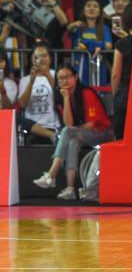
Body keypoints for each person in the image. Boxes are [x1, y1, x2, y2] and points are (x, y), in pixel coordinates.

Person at [33, 64, 114, 199]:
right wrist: (65, 99)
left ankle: (51, 174)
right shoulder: (61, 97)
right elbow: (69, 123)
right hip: (81, 134)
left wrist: (72, 130)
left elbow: (91, 124)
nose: (64, 81)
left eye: (67, 77)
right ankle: (70, 188)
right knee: (72, 143)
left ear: (75, 77)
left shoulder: (86, 93)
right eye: (60, 79)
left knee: (68, 132)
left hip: (102, 133)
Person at [17, 40, 60, 143]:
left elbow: (60, 96)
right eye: (36, 57)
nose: (40, 60)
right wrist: (31, 81)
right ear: (32, 59)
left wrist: (47, 75)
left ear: (50, 58)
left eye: (44, 56)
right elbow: (22, 105)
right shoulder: (25, 80)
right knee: (17, 118)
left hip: (52, 125)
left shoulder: (56, 75)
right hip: (32, 127)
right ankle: (52, 136)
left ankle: (52, 134)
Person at [67, 0, 113, 86]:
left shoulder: (104, 28)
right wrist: (73, 24)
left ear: (100, 12)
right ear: (83, 10)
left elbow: (109, 46)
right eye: (88, 6)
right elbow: (69, 29)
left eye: (95, 6)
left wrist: (94, 45)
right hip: (78, 66)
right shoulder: (78, 26)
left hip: (97, 66)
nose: (91, 8)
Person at [111, 2, 132, 140]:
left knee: (122, 139)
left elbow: (116, 74)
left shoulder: (121, 44)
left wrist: (115, 93)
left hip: (125, 94)